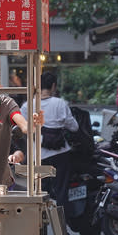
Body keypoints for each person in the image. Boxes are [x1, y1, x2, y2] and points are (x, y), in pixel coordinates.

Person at [20, 72, 78, 211]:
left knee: (39, 192)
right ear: (53, 86)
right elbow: (74, 127)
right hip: (60, 155)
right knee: (61, 191)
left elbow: (22, 129)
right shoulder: (60, 103)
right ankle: (62, 228)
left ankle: (40, 228)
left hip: (37, 156)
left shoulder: (27, 106)